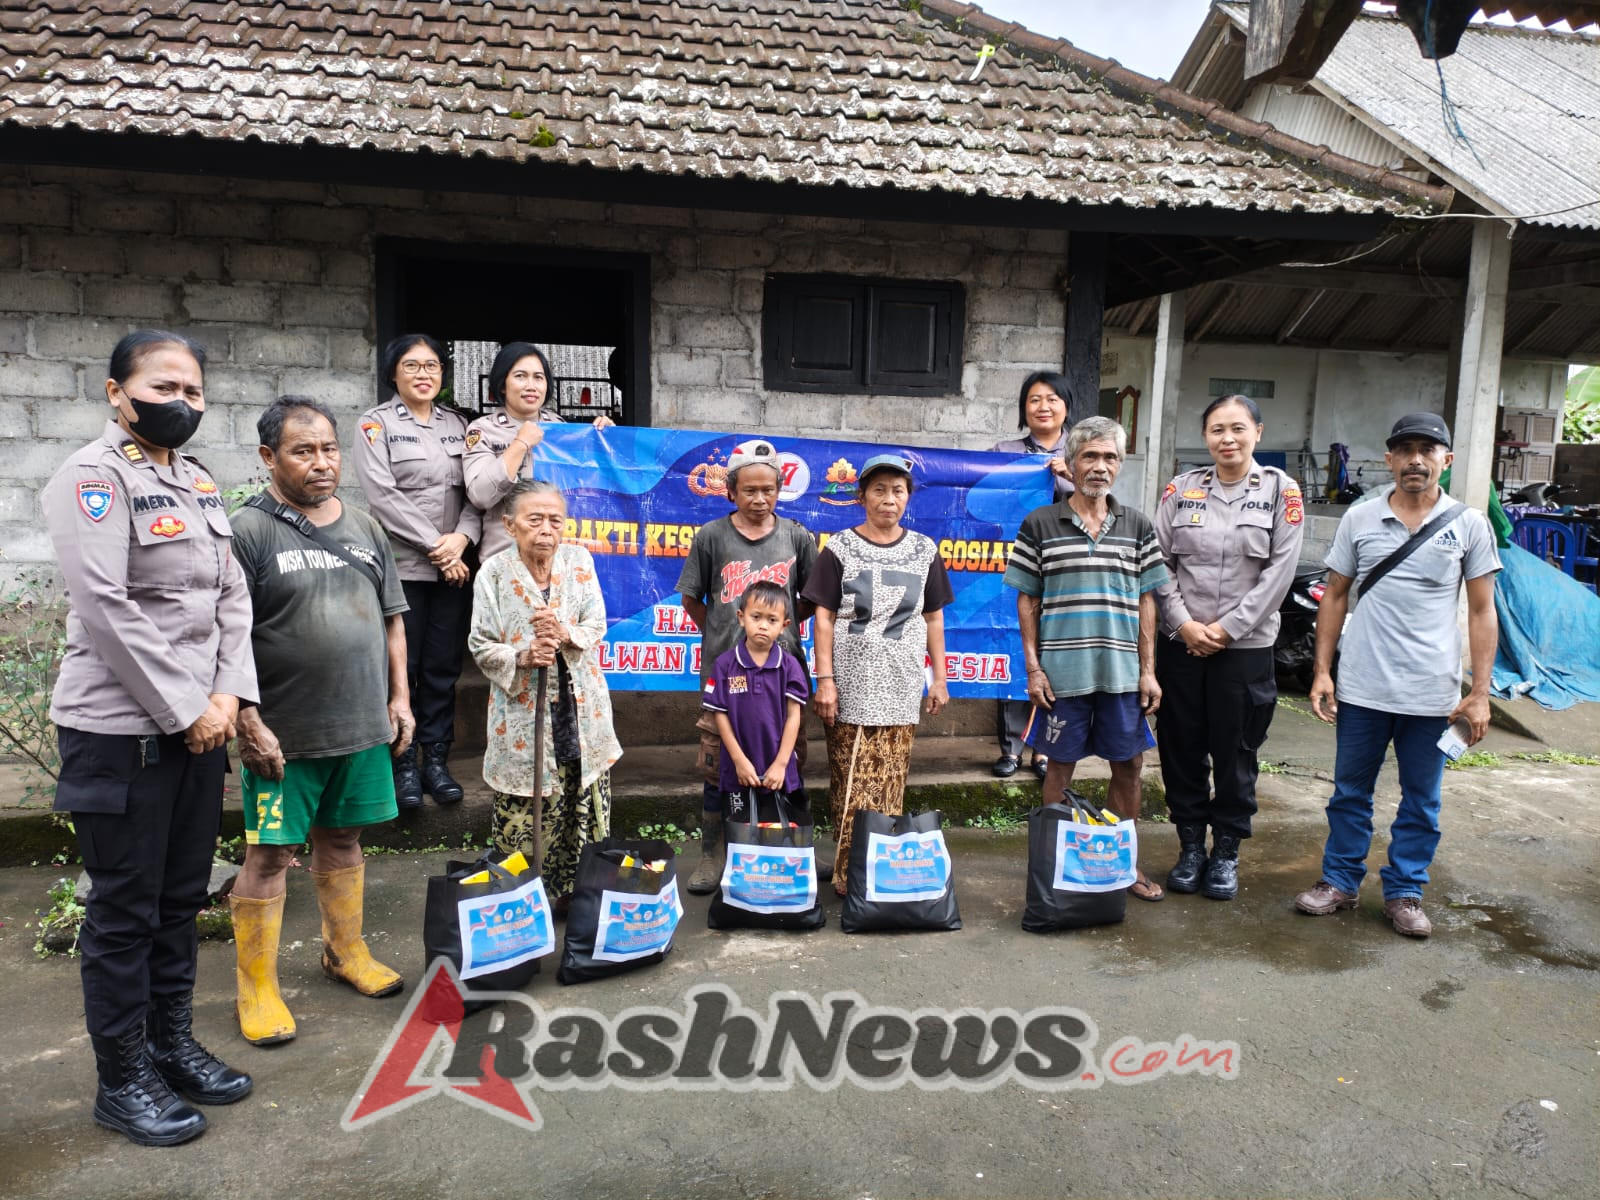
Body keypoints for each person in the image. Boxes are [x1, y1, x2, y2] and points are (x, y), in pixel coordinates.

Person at [41, 329, 256, 1147]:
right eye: (165, 387)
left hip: (200, 725)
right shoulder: (91, 481)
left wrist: (229, 694)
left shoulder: (197, 483)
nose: (183, 403)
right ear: (116, 393)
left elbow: (231, 597)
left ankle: (169, 1044)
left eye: (195, 392)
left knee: (177, 899)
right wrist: (188, 706)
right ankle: (122, 1078)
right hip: (119, 731)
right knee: (125, 911)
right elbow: (105, 604)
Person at [228, 396, 412, 1045]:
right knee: (270, 855)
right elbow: (225, 635)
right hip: (284, 738)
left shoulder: (365, 527)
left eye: (329, 448)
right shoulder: (247, 532)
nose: (321, 462)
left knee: (343, 841)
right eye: (303, 451)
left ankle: (344, 952)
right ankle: (256, 987)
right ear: (269, 457)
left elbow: (393, 618)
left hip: (359, 727)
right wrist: (246, 719)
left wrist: (400, 699)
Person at [1293, 413, 1500, 937]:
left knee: (1422, 802)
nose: (1416, 459)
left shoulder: (1469, 524)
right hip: (1363, 687)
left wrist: (1478, 692)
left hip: (1432, 697)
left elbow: (1481, 611)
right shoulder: (1360, 519)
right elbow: (1334, 595)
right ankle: (1339, 882)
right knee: (1349, 793)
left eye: (1428, 450)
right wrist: (1322, 672)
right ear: (1388, 459)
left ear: (1445, 461)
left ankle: (1406, 891)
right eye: (1404, 449)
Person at [1003, 416, 1168, 902]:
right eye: (1090, 457)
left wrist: (1148, 671)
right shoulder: (1039, 523)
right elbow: (1026, 599)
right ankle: (1052, 867)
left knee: (1129, 766)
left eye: (1110, 458)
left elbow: (1146, 600)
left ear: (1119, 466)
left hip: (1121, 676)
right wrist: (1033, 668)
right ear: (1071, 464)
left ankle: (1124, 865)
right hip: (1061, 675)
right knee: (1059, 767)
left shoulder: (1137, 524)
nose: (1100, 467)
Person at [1153, 395, 1305, 901]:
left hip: (1244, 649)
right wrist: (1184, 625)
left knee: (1237, 752)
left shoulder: (1282, 493)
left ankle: (1226, 853)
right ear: (1205, 436)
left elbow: (1278, 574)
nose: (1227, 439)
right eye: (1217, 429)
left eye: (1238, 428)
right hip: (1182, 644)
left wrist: (1226, 630)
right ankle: (1191, 846)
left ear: (1257, 433)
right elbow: (1159, 565)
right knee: (1181, 747)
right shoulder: (1183, 489)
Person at [802, 453, 952, 896]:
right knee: (848, 774)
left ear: (908, 497)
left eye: (898, 490)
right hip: (850, 683)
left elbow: (934, 619)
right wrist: (824, 679)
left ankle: (877, 866)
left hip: (902, 682)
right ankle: (849, 869)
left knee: (889, 777)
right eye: (879, 490)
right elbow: (823, 617)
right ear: (862, 496)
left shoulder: (924, 550)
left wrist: (938, 678)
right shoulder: (840, 548)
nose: (889, 499)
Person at [469, 480, 622, 910]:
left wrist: (563, 632)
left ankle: (579, 895)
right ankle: (521, 902)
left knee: (580, 797)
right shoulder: (493, 573)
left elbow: (596, 624)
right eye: (534, 519)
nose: (546, 529)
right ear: (509, 524)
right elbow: (480, 643)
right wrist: (521, 655)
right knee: (526, 805)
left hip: (580, 708)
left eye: (555, 520)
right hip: (524, 712)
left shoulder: (579, 561)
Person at [676, 438, 819, 894]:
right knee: (718, 767)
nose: (760, 499)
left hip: (782, 680)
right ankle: (713, 854)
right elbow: (692, 600)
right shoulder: (712, 537)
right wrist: (723, 634)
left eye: (769, 490)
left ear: (780, 490)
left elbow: (809, 600)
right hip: (726, 680)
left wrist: (782, 633)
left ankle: (787, 848)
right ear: (731, 492)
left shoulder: (796, 536)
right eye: (749, 490)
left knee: (786, 763)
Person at [353, 333, 481, 810]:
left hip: (453, 570)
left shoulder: (461, 425)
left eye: (432, 366)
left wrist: (462, 542)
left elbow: (476, 495)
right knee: (399, 668)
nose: (424, 374)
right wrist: (438, 547)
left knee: (443, 666)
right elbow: (383, 496)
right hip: (403, 567)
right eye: (412, 366)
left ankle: (437, 761)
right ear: (393, 374)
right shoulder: (375, 425)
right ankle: (403, 763)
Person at [989, 370, 1076, 781]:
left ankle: (1044, 749)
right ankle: (1011, 749)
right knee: (1012, 649)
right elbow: (985, 498)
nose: (1043, 406)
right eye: (1034, 399)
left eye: (1052, 399)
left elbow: (1104, 501)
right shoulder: (1004, 451)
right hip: (1015, 564)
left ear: (1066, 406)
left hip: (1067, 571)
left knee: (1053, 657)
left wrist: (1068, 474)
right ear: (1024, 409)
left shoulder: (1083, 452)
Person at [464, 342, 614, 563]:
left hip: (559, 559)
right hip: (505, 558)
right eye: (520, 376)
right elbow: (480, 495)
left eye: (538, 377)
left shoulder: (560, 428)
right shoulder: (483, 430)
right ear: (503, 384)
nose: (531, 385)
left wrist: (605, 439)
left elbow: (590, 486)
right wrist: (520, 444)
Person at [702, 581, 811, 819]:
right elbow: (720, 714)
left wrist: (781, 764)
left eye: (772, 620)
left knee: (779, 835)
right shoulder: (725, 665)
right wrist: (739, 761)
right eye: (756, 617)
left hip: (778, 768)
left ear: (784, 626)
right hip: (738, 769)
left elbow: (794, 716)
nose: (763, 626)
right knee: (740, 834)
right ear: (741, 617)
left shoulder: (789, 666)